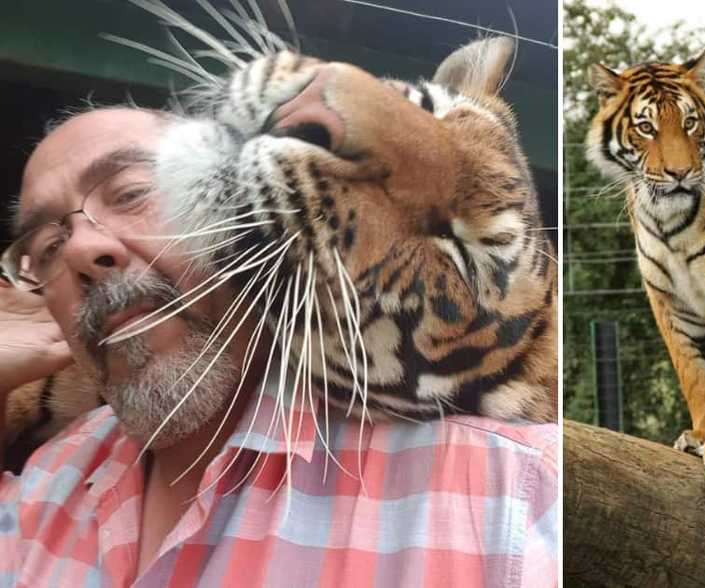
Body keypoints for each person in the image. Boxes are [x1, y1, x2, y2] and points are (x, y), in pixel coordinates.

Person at [0, 107, 558, 587]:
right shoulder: (50, 481)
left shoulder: (500, 490)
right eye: (47, 246)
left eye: (131, 193)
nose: (80, 249)